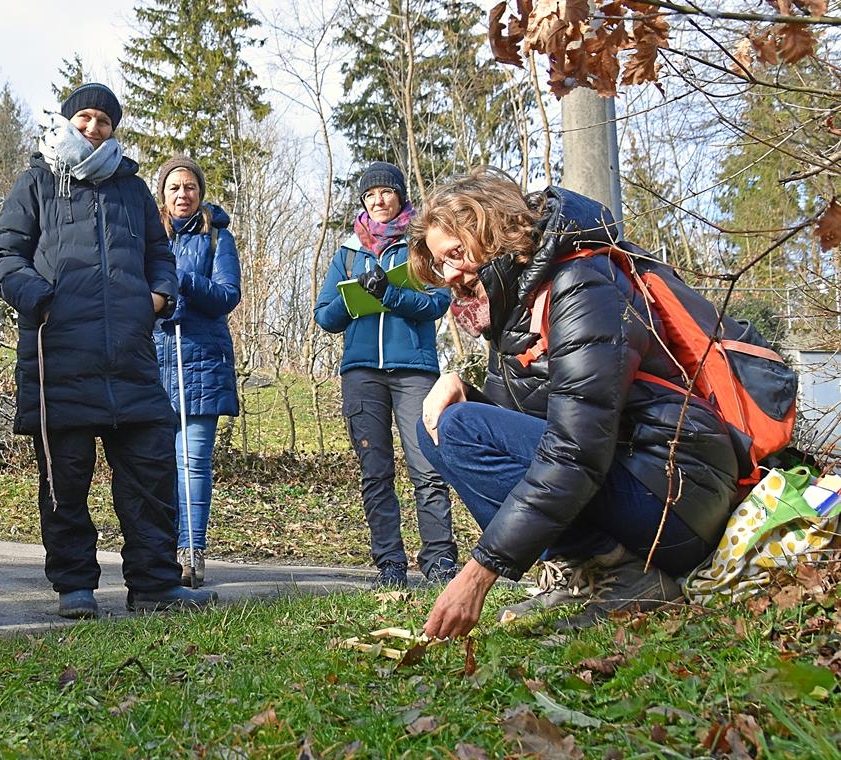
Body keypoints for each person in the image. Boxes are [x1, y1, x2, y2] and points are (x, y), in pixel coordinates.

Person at [409, 169, 739, 639]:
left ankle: (630, 578)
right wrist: (464, 386)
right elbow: (522, 433)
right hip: (633, 484)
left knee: (460, 427)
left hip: (677, 494)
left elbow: (575, 452)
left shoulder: (580, 284)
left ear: (495, 229)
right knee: (440, 424)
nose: (452, 275)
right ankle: (590, 571)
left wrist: (480, 572)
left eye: (457, 254)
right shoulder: (516, 308)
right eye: (443, 265)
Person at [0, 83, 218, 618]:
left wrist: (158, 296)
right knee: (65, 480)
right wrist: (40, 298)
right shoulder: (38, 180)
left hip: (131, 358)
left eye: (104, 121)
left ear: (114, 129)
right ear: (69, 122)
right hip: (59, 354)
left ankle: (155, 584)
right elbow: (3, 255)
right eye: (85, 118)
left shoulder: (132, 188)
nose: (94, 129)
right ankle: (75, 586)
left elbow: (159, 253)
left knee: (152, 472)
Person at [314, 161, 457, 588]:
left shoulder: (420, 245)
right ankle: (390, 565)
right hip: (361, 374)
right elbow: (325, 316)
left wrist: (389, 293)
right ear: (362, 201)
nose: (378, 200)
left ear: (400, 196)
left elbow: (436, 304)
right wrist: (357, 293)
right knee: (375, 472)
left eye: (386, 192)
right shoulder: (347, 251)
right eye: (370, 194)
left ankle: (438, 561)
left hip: (414, 371)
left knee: (427, 467)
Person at [152, 156, 241, 588]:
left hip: (202, 361)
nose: (182, 195)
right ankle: (161, 551)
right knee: (157, 464)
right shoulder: (149, 236)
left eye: (189, 187)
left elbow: (227, 295)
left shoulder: (217, 238)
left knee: (193, 462)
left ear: (200, 192)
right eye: (174, 188)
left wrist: (183, 279)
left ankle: (192, 551)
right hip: (153, 360)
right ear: (163, 195)